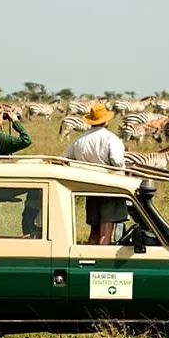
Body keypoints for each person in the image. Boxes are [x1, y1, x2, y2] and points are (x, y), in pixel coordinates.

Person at [62, 102, 128, 245]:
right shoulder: (110, 138)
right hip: (109, 187)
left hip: (89, 187)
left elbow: (64, 159)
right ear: (106, 120)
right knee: (106, 229)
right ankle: (103, 261)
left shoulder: (80, 140)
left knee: (94, 229)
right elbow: (117, 162)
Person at [0, 104, 40, 236]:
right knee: (36, 188)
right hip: (1, 185)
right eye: (1, 115)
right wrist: (15, 122)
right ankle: (28, 225)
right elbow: (26, 140)